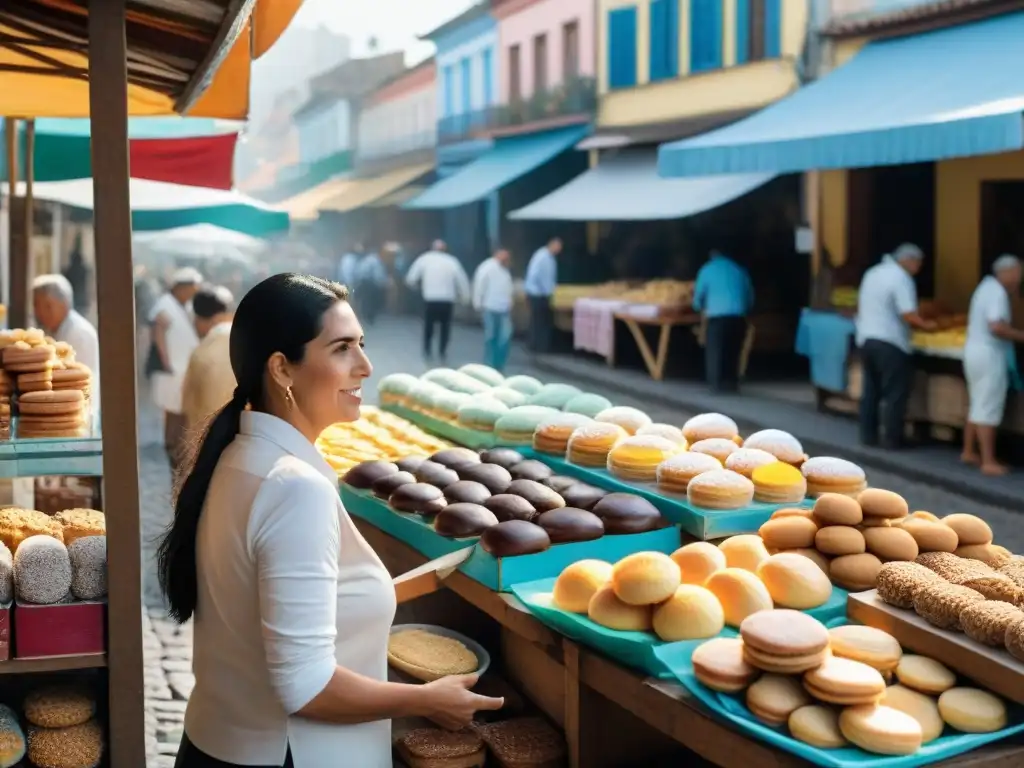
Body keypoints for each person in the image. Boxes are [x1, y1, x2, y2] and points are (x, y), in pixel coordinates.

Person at [157, 274, 502, 768]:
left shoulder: (236, 455)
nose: (365, 366)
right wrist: (428, 699)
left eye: (361, 344)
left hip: (217, 745)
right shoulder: (294, 487)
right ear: (282, 369)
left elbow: (262, 597)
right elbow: (306, 686)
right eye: (342, 349)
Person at [855, 243, 936, 450]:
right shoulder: (901, 277)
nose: (919, 268)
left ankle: (868, 436)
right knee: (895, 393)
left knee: (871, 391)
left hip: (866, 338)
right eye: (918, 263)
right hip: (890, 342)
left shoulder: (873, 272)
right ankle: (892, 439)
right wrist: (928, 326)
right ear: (908, 260)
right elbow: (908, 313)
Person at [962, 255, 1024, 475]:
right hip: (989, 354)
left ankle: (969, 451)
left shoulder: (986, 287)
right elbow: (997, 326)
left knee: (977, 402)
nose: (1019, 277)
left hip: (974, 352)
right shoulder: (997, 292)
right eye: (1018, 272)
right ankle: (988, 461)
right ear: (1008, 272)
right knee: (988, 407)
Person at [150, 267, 203, 473]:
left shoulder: (183, 305)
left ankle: (179, 450)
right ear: (182, 288)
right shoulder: (165, 305)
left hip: (180, 369)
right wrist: (166, 362)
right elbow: (159, 334)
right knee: (173, 413)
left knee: (179, 412)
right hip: (173, 369)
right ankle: (173, 449)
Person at [693, 250, 754, 393]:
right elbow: (750, 296)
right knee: (733, 350)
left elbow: (698, 297)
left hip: (717, 318)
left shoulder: (707, 269)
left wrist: (698, 307)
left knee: (716, 351)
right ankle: (731, 383)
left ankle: (716, 384)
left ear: (712, 256)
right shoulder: (739, 270)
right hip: (739, 317)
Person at [181, 285, 236, 434]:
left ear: (199, 320)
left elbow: (188, 406)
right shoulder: (253, 343)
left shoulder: (200, 354)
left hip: (211, 442)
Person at [405, 239, 470, 360]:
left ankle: (427, 350)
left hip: (430, 299)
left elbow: (411, 278)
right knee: (445, 327)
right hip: (447, 300)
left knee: (429, 326)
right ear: (445, 249)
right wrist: (465, 297)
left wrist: (416, 288)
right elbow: (462, 280)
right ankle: (442, 351)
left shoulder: (424, 259)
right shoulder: (452, 261)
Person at [472, 247, 515, 372]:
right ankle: (489, 365)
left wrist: (510, 302)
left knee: (504, 337)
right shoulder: (487, 267)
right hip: (490, 307)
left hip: (504, 309)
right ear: (497, 255)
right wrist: (478, 303)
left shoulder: (505, 270)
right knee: (491, 337)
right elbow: (479, 285)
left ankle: (499, 364)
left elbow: (508, 288)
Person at [523, 237, 561, 353]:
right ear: (552, 245)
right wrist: (549, 292)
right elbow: (543, 277)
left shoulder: (546, 256)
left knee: (538, 320)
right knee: (541, 321)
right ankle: (538, 346)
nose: (559, 250)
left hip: (538, 292)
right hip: (538, 294)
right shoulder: (544, 257)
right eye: (558, 247)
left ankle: (536, 345)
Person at [354, 247, 389, 326]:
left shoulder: (364, 260)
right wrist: (382, 282)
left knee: (365, 300)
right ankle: (370, 317)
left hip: (363, 282)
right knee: (371, 300)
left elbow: (358, 271)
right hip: (371, 283)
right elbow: (378, 273)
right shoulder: (375, 260)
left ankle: (365, 315)